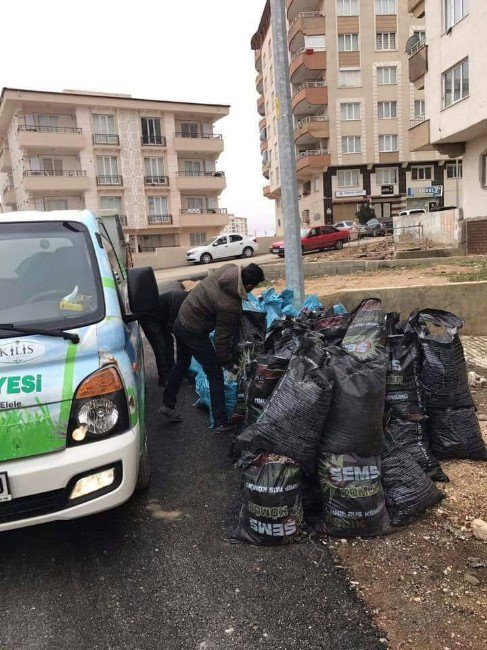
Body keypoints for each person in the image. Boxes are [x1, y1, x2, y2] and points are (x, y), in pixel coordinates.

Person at [159, 263, 265, 433]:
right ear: (250, 285)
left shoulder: (228, 269)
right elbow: (221, 341)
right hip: (194, 331)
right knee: (215, 373)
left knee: (181, 364)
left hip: (181, 319)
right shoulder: (230, 305)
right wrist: (230, 365)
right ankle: (220, 422)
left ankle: (167, 404)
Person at [139, 290, 188, 386]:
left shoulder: (185, 300)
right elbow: (173, 326)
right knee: (160, 347)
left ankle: (173, 374)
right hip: (149, 317)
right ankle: (164, 379)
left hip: (161, 318)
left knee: (169, 342)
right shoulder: (179, 301)